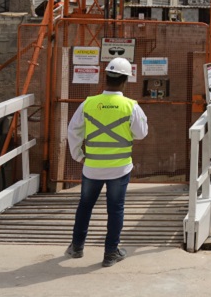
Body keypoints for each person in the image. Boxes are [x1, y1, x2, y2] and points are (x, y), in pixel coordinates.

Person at [65, 58, 149, 267]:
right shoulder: (131, 106)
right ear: (125, 81)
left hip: (92, 167)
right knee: (116, 208)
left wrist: (78, 155)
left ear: (106, 77)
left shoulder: (89, 103)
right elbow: (140, 134)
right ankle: (111, 253)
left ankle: (76, 247)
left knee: (85, 206)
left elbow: (73, 130)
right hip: (119, 168)